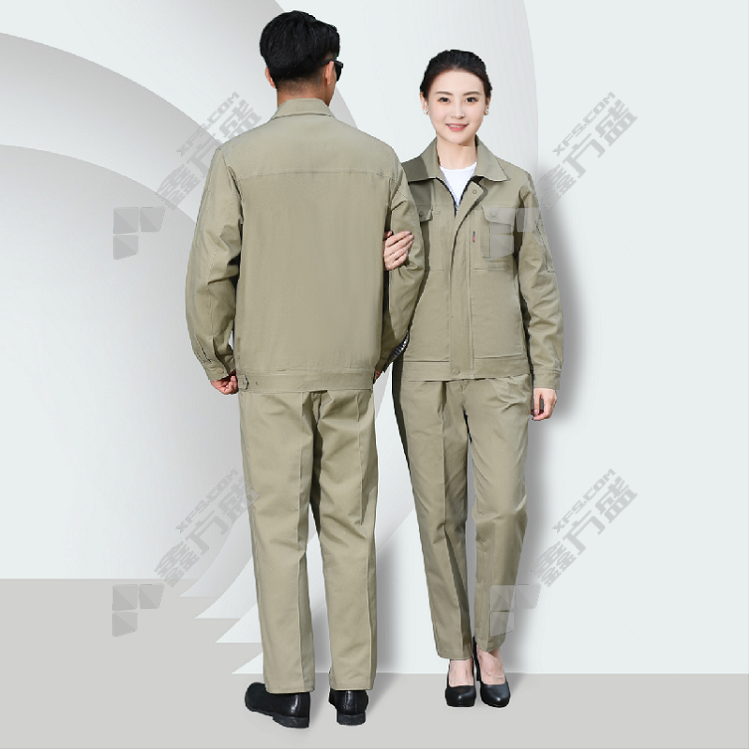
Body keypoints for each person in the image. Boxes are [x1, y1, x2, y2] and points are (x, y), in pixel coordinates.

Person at [184, 11, 424, 728]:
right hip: (350, 368)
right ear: (329, 72)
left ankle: (289, 690)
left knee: (278, 528)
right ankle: (352, 688)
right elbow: (409, 268)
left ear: (268, 75)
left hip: (271, 375)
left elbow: (210, 273)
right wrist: (374, 350)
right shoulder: (378, 158)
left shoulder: (237, 159)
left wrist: (216, 355)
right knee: (350, 524)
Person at [383, 49, 563, 708]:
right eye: (444, 98)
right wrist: (377, 260)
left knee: (504, 511)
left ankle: (491, 643)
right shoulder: (398, 185)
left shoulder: (514, 185)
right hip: (424, 375)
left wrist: (547, 368)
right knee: (437, 517)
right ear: (424, 103)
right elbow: (371, 283)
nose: (457, 111)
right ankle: (457, 652)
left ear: (487, 104)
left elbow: (537, 281)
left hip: (502, 376)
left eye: (470, 98)